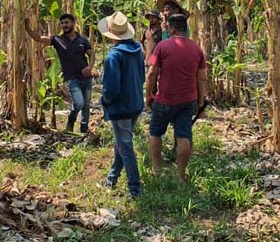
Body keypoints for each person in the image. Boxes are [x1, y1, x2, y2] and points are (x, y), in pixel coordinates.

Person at [145, 14, 207, 183]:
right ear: (185, 29)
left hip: (165, 99)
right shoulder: (196, 49)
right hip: (188, 100)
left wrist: (148, 95)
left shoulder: (162, 46)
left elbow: (152, 73)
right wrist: (200, 101)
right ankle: (181, 175)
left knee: (155, 132)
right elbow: (201, 78)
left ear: (171, 28)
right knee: (183, 136)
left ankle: (157, 168)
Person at [98, 11, 145, 198]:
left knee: (125, 148)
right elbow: (141, 77)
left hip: (121, 108)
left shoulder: (113, 57)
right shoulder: (137, 50)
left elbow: (111, 88)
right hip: (135, 103)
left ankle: (135, 189)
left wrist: (105, 101)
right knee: (121, 143)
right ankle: (112, 178)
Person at [25, 13, 95, 132]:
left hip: (86, 77)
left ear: (73, 23)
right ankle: (71, 121)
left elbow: (91, 54)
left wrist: (90, 67)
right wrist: (27, 28)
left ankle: (84, 129)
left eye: (67, 22)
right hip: (72, 78)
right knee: (79, 103)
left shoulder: (82, 39)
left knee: (86, 105)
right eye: (62, 23)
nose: (64, 25)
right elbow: (39, 38)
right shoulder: (58, 40)